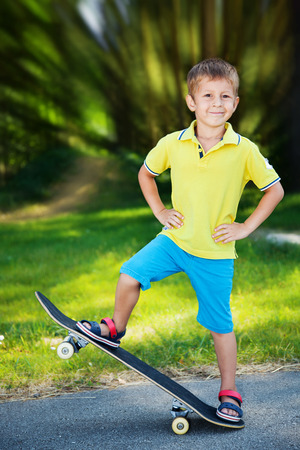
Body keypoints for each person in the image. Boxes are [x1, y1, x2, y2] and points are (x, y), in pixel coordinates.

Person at [76, 58, 284, 422]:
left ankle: (230, 393)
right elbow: (146, 174)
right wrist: (159, 212)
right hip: (173, 241)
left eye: (225, 96)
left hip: (216, 253)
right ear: (191, 102)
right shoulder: (173, 143)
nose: (216, 103)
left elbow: (275, 190)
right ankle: (115, 328)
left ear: (235, 103)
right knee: (129, 274)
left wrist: (245, 227)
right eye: (207, 95)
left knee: (220, 325)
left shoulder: (244, 149)